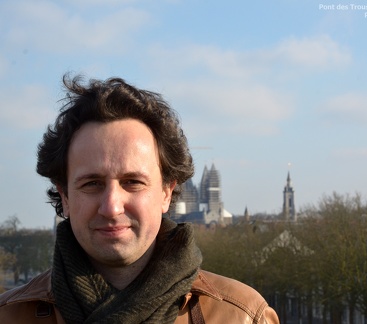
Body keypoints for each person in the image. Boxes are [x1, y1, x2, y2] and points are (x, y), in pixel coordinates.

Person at [0, 75, 279, 323]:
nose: (111, 206)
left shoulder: (244, 315)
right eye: (92, 183)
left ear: (167, 193)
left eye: (132, 182)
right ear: (65, 196)